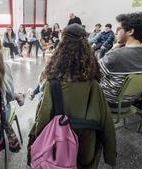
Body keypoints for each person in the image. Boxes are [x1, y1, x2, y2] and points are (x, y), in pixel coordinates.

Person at [27, 24, 116, 169]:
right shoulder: (94, 84)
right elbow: (107, 122)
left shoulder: (52, 84)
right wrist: (110, 156)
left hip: (57, 148)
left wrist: (32, 149)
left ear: (62, 47)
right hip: (86, 147)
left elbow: (42, 119)